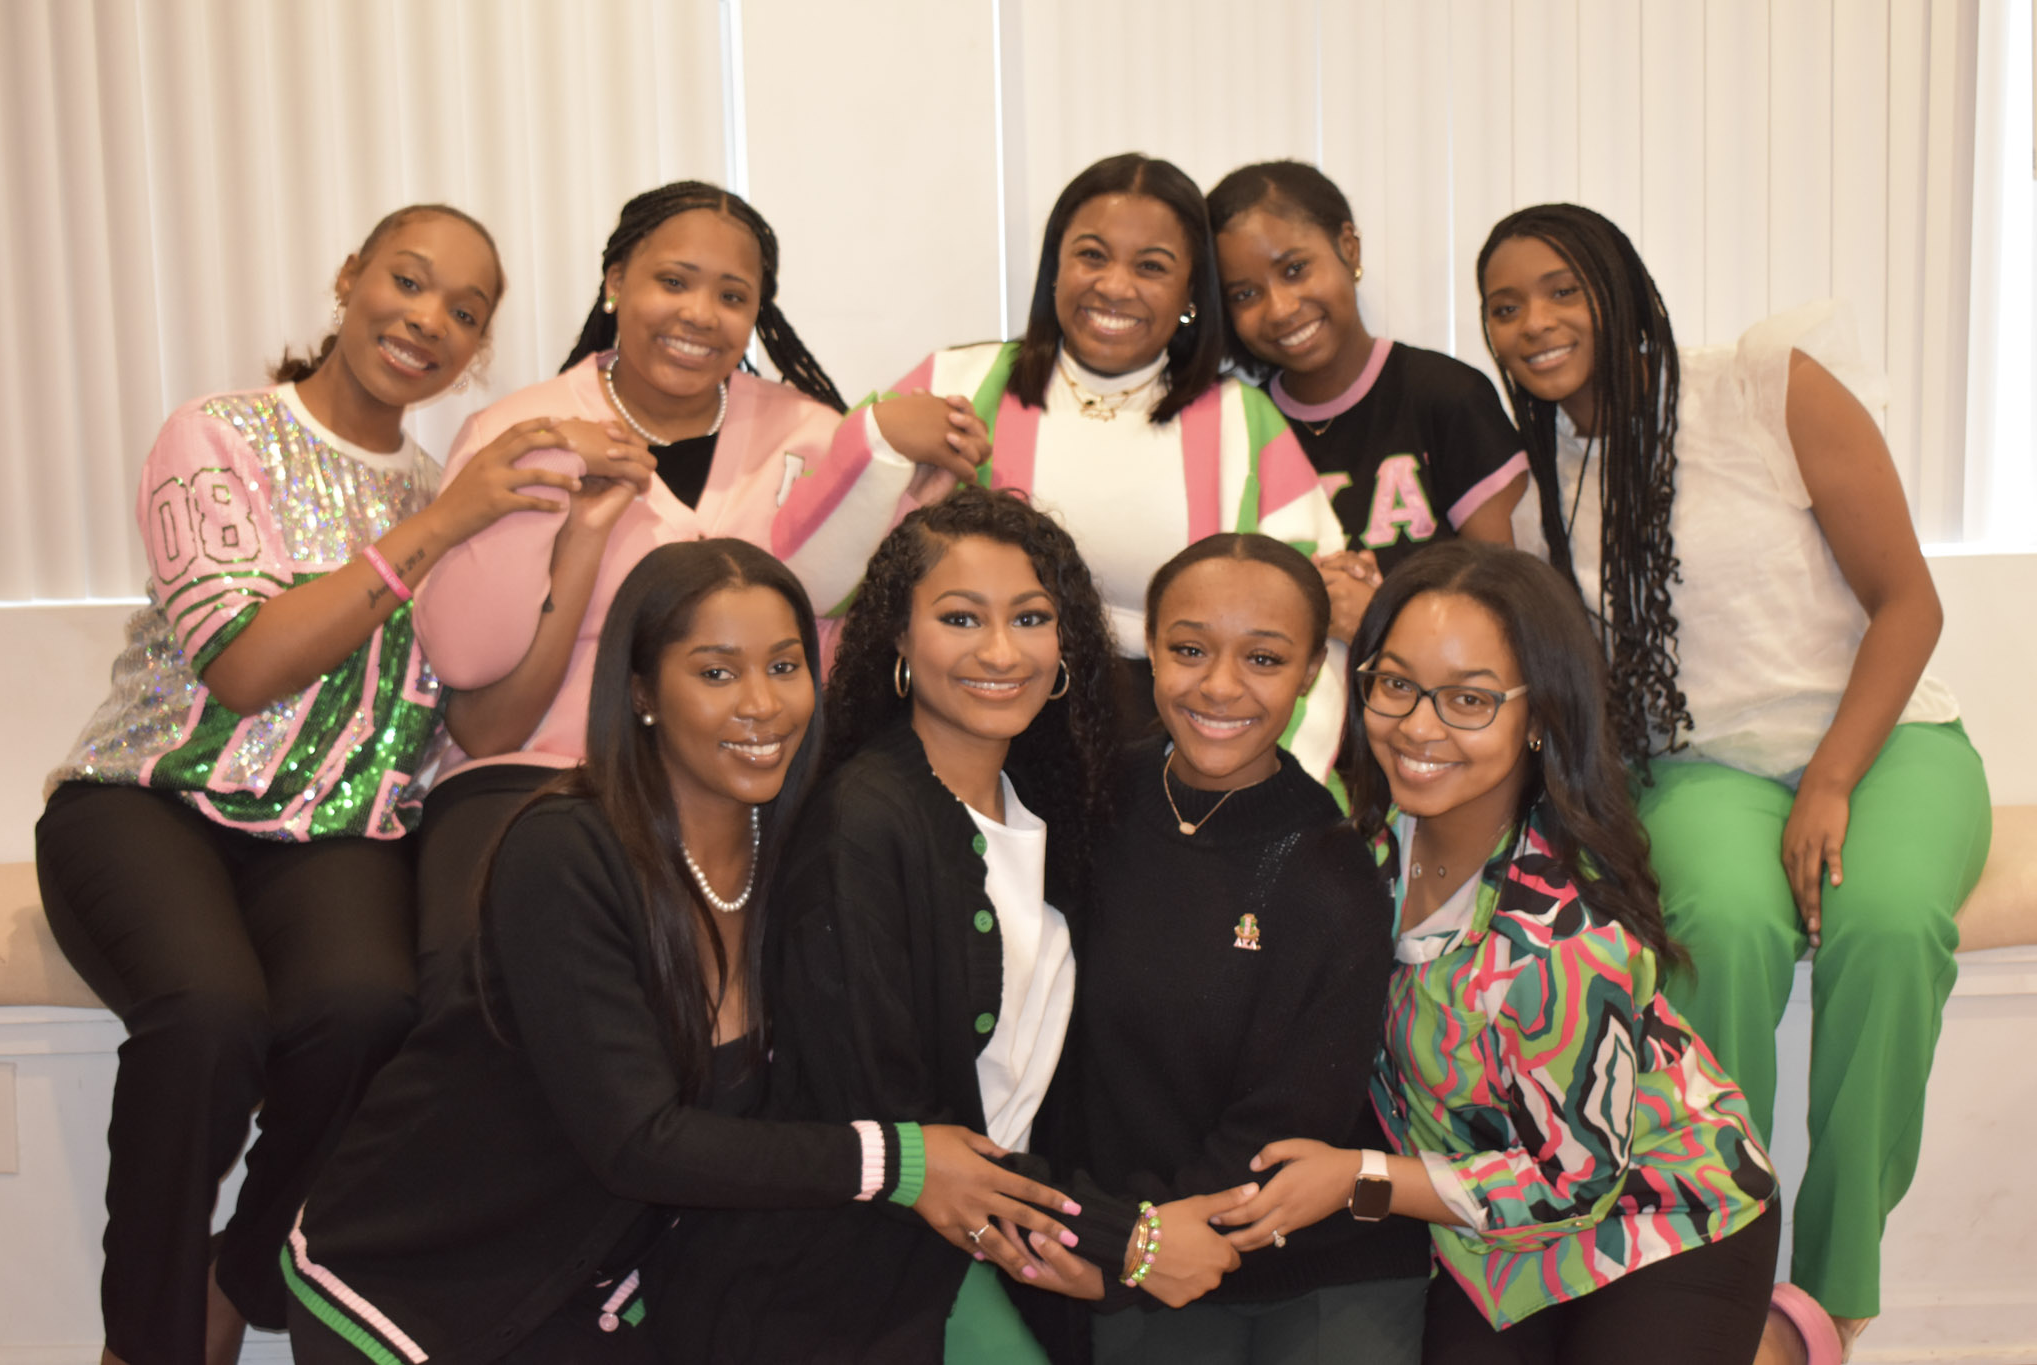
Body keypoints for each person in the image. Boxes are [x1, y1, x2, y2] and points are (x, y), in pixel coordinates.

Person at [284, 540, 1077, 1364]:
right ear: (642, 692)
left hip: (595, 1294)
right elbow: (637, 1141)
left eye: (785, 666)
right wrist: (898, 1158)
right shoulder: (566, 853)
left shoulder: (802, 848)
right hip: (409, 1287)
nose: (762, 704)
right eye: (717, 672)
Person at [34, 204, 583, 1365]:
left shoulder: (450, 492)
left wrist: (574, 546)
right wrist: (439, 527)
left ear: (477, 348)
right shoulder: (219, 433)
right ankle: (145, 1345)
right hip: (149, 798)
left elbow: (478, 721)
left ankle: (238, 1283)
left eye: (464, 311)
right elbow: (245, 668)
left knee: (371, 1012)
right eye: (407, 281)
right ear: (349, 279)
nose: (426, 320)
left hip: (333, 832)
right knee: (208, 1016)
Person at [1477, 204, 1991, 1363]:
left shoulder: (1767, 386)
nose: (1532, 322)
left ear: (1620, 290)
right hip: (1701, 767)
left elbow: (1906, 603)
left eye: (1560, 289)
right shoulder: (1532, 484)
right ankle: (1716, 1274)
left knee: (1888, 926)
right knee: (1715, 928)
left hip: (1884, 739)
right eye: (1503, 307)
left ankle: (1830, 1292)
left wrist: (1831, 780)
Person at [651, 488, 1252, 1363]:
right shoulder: (863, 821)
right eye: (961, 617)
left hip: (960, 1258)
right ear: (899, 637)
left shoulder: (1043, 805)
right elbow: (898, 1126)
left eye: (1031, 618)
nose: (1001, 651)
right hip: (825, 1285)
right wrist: (1129, 1239)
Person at [407, 180, 987, 1005]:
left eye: (732, 295)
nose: (699, 314)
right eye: (673, 281)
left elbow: (844, 644)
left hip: (745, 786)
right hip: (537, 777)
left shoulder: (811, 438)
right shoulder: (519, 432)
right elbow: (467, 664)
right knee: (487, 985)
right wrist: (559, 497)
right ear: (616, 280)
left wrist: (906, 483)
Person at [1215, 541, 1781, 1361]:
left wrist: (1359, 1180)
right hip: (1480, 1232)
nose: (1418, 725)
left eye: (1469, 700)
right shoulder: (1362, 850)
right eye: (1396, 684)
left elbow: (1577, 1182)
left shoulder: (1564, 938)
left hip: (1660, 1214)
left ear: (1540, 718)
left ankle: (1774, 1340)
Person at [771, 153, 1351, 782]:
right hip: (962, 753)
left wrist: (1283, 791)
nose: (1116, 286)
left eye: (1151, 266)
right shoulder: (955, 383)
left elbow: (1311, 636)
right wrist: (879, 440)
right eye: (1092, 256)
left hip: (1174, 773)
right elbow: (811, 585)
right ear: (1055, 268)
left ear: (1191, 292)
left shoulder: (1244, 421)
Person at [1052, 533, 1429, 1363]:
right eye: (1190, 649)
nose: (1220, 686)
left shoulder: (1332, 871)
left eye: (1264, 658)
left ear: (1310, 671)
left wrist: (1143, 1240)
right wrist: (1124, 1238)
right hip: (1143, 1251)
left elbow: (1285, 1125)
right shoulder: (1091, 801)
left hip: (1317, 1266)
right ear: (1150, 650)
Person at [1208, 159, 1526, 639]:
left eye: (1295, 270)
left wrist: (1381, 617)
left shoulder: (1447, 396)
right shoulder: (1239, 423)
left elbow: (1513, 607)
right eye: (1244, 294)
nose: (1280, 309)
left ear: (1348, 247)